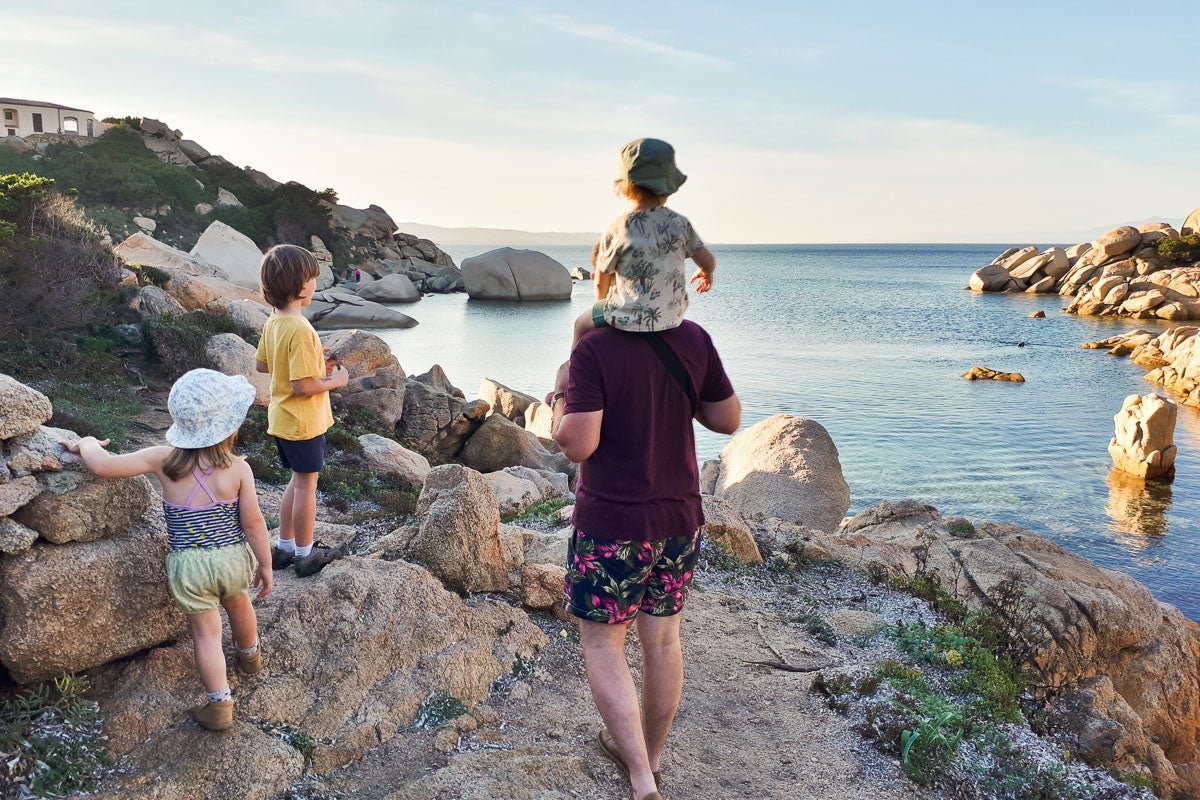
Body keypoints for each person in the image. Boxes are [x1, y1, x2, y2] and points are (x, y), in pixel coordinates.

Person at [551, 314, 741, 800]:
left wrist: (557, 398)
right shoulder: (694, 337)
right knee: (661, 643)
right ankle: (651, 759)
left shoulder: (597, 349)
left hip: (613, 525)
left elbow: (577, 443)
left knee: (603, 645)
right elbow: (727, 418)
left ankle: (639, 778)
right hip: (678, 519)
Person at [61, 369, 273, 732]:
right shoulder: (239, 469)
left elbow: (101, 466)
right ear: (229, 426)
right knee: (240, 603)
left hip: (189, 567)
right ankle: (249, 656)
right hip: (233, 559)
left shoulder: (162, 459)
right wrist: (265, 564)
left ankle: (220, 704)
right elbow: (253, 523)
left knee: (206, 634)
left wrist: (88, 443)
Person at [254, 244, 350, 576]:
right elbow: (304, 386)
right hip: (304, 422)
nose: (314, 285)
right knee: (307, 485)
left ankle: (283, 548)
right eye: (311, 279)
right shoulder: (302, 329)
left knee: (295, 482)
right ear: (298, 285)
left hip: (281, 419)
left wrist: (311, 359)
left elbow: (263, 363)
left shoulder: (274, 322)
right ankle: (306, 554)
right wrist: (336, 381)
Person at [570, 137, 718, 351]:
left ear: (623, 186)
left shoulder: (617, 228)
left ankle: (575, 370)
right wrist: (706, 273)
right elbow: (708, 261)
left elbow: (601, 279)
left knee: (580, 325)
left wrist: (601, 303)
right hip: (671, 317)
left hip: (625, 318)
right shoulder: (680, 224)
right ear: (667, 188)